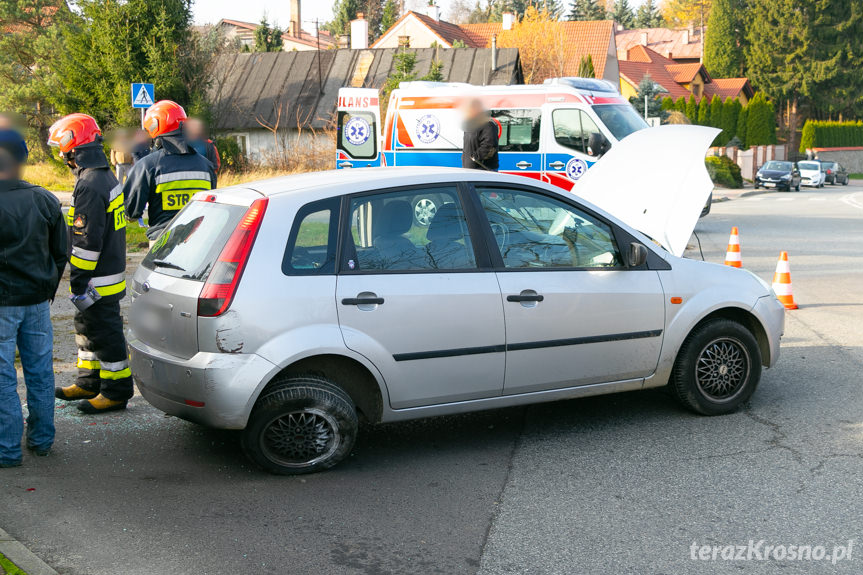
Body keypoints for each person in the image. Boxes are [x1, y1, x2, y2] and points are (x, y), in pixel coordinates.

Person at [48, 114, 133, 414]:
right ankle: (89, 380)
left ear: (72, 145)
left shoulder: (90, 184)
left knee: (105, 331)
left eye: (62, 148)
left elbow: (87, 242)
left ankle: (116, 390)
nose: (62, 155)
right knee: (87, 326)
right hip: (107, 273)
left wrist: (79, 279)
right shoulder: (101, 175)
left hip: (97, 278)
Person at [0, 129, 67, 467]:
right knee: (40, 374)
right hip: (37, 302)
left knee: (2, 379)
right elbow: (60, 252)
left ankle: (7, 451)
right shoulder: (44, 199)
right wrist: (46, 289)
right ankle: (41, 441)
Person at [124, 101, 217, 245]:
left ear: (155, 126)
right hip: (200, 244)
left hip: (162, 244)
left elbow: (131, 213)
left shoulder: (147, 166)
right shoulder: (206, 166)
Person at [461, 99, 499, 171]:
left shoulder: (488, 124)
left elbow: (490, 146)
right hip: (469, 168)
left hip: (483, 169)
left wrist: (475, 157)